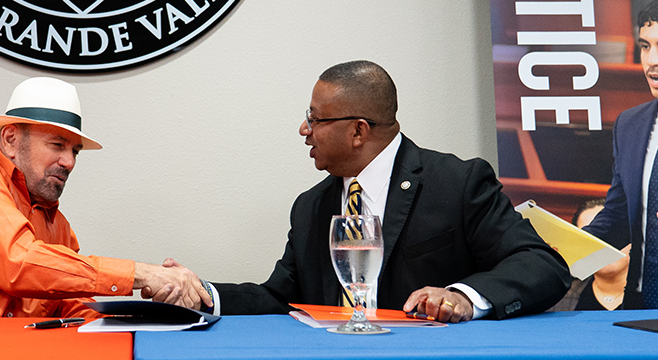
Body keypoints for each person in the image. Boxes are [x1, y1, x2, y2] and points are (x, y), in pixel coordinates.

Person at [205, 60, 571, 322]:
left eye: (315, 119)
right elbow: (282, 298)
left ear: (358, 131)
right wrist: (204, 293)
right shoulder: (311, 207)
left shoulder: (456, 183)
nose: (304, 129)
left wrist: (462, 297)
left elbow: (542, 266)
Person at [0, 77, 210, 318]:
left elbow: (78, 307)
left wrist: (155, 308)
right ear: (10, 139)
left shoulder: (58, 228)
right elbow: (19, 262)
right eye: (57, 144)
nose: (69, 162)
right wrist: (142, 274)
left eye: (74, 151)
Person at [584, 0, 658, 309]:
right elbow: (619, 215)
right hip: (639, 305)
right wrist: (568, 245)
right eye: (645, 46)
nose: (651, 61)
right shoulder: (629, 124)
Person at [548, 199, 629, 311]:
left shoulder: (655, 296)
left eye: (609, 235)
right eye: (590, 238)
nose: (602, 246)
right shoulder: (558, 299)